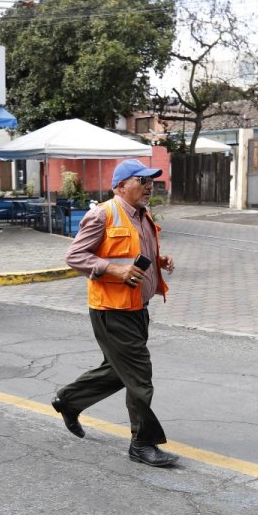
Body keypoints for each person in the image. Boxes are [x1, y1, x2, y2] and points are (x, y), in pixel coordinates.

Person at [51, 158, 178, 468]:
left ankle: (69, 400)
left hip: (136, 308)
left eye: (151, 181)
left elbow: (134, 252)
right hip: (112, 309)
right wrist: (113, 270)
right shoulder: (102, 214)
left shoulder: (141, 215)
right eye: (142, 180)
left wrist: (158, 262)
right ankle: (142, 443)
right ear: (121, 186)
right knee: (139, 377)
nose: (150, 186)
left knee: (117, 371)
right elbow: (75, 255)